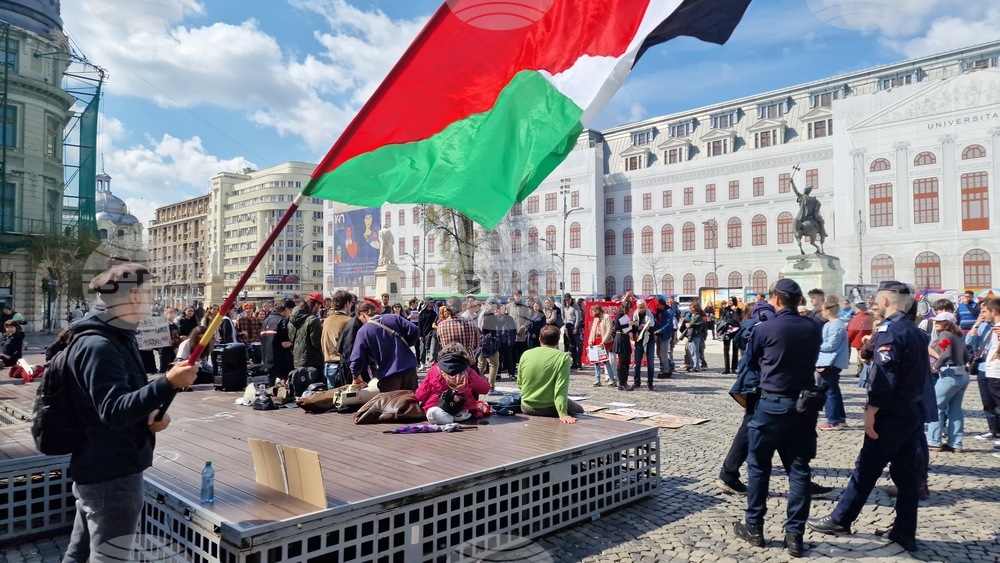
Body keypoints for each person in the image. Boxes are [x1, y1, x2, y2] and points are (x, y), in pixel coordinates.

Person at [63, 262, 197, 562]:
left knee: (79, 552)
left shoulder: (114, 337)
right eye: (149, 293)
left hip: (102, 467)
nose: (153, 300)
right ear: (135, 297)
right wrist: (167, 383)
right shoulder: (100, 345)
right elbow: (113, 411)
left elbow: (119, 399)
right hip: (112, 472)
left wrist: (151, 411)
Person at [809, 280, 931, 553]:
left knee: (866, 468)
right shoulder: (913, 330)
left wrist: (871, 410)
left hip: (891, 413)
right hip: (912, 411)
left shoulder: (890, 330)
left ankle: (841, 519)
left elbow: (885, 377)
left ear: (886, 301)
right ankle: (904, 532)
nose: (874, 304)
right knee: (907, 475)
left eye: (877, 300)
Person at [733, 279, 823, 558]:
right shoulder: (813, 327)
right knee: (799, 470)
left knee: (759, 467)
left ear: (776, 299)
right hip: (802, 406)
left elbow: (749, 362)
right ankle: (795, 535)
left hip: (771, 403)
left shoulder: (766, 328)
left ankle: (755, 527)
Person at [517, 326, 584, 423]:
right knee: (579, 409)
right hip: (549, 407)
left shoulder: (526, 354)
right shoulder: (563, 357)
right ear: (557, 340)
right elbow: (561, 388)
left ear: (540, 339)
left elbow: (520, 383)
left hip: (526, 406)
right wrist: (563, 413)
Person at [925, 312, 969, 452]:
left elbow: (945, 354)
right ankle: (955, 443)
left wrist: (935, 366)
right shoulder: (959, 335)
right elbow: (967, 356)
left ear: (947, 323)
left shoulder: (945, 335)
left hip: (949, 373)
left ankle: (934, 441)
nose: (935, 323)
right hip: (962, 373)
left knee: (936, 407)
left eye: (939, 321)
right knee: (955, 409)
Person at [416, 342, 491, 424]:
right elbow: (485, 389)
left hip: (436, 405)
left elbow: (420, 396)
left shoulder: (434, 370)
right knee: (465, 409)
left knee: (433, 411)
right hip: (463, 406)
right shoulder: (468, 371)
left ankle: (443, 416)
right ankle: (458, 415)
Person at [349, 307, 420, 392]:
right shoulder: (394, 317)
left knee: (391, 404)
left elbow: (357, 357)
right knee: (411, 402)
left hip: (389, 375)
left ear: (362, 314)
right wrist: (406, 344)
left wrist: (355, 376)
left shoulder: (364, 331)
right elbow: (414, 330)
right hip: (409, 370)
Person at [966, 299, 1000, 441]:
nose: (982, 314)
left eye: (985, 311)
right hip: (985, 368)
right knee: (988, 402)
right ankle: (994, 430)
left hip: (996, 370)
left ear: (993, 311)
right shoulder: (984, 327)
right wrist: (977, 324)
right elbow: (968, 341)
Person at [817, 301, 850, 430]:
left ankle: (834, 420)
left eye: (823, 309)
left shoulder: (836, 325)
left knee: (830, 391)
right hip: (826, 360)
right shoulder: (829, 324)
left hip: (831, 362)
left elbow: (831, 345)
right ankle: (839, 419)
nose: (821, 311)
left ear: (829, 310)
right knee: (833, 390)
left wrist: (815, 344)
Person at [288, 292, 325, 370]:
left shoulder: (292, 319)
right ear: (315, 305)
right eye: (320, 306)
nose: (319, 309)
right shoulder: (313, 320)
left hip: (297, 361)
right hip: (312, 363)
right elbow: (317, 343)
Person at [261, 299, 295, 384]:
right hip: (281, 363)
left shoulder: (266, 321)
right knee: (281, 392)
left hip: (267, 361)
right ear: (287, 309)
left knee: (271, 390)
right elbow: (285, 343)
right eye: (292, 310)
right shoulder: (283, 321)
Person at [631, 299, 656, 391]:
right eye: (639, 307)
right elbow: (631, 327)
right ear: (637, 307)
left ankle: (650, 382)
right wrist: (638, 327)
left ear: (646, 306)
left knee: (651, 363)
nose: (641, 309)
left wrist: (650, 328)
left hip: (649, 339)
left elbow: (657, 326)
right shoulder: (634, 315)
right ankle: (637, 382)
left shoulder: (651, 315)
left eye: (643, 307)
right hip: (639, 340)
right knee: (637, 363)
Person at [588, 304, 615, 386]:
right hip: (596, 342)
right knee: (596, 361)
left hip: (604, 342)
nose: (593, 313)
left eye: (595, 311)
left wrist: (603, 341)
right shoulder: (596, 318)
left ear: (599, 310)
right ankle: (597, 379)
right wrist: (590, 341)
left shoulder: (606, 317)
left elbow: (609, 330)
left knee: (605, 361)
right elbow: (593, 330)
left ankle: (612, 379)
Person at [847, 302, 874, 376]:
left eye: (856, 308)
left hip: (860, 340)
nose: (855, 310)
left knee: (861, 356)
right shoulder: (871, 317)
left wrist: (848, 340)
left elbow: (852, 330)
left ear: (860, 309)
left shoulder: (857, 318)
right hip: (870, 340)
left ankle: (861, 371)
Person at [611, 302, 633, 391]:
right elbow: (617, 327)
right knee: (622, 361)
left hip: (626, 337)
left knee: (627, 361)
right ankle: (621, 383)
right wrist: (629, 324)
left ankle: (625, 382)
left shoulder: (625, 315)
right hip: (620, 338)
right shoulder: (619, 314)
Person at [654, 296, 676, 378]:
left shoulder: (668, 311)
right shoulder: (661, 311)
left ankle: (667, 370)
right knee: (659, 352)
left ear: (661, 304)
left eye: (658, 305)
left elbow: (669, 324)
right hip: (660, 334)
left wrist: (660, 330)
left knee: (663, 353)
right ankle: (667, 367)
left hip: (665, 335)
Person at [720, 296, 742, 375]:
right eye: (729, 300)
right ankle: (726, 368)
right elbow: (722, 319)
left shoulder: (739, 310)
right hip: (727, 330)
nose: (729, 302)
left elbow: (738, 320)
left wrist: (735, 311)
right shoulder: (725, 309)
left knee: (735, 349)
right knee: (726, 349)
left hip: (736, 330)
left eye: (731, 300)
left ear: (734, 301)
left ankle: (733, 368)